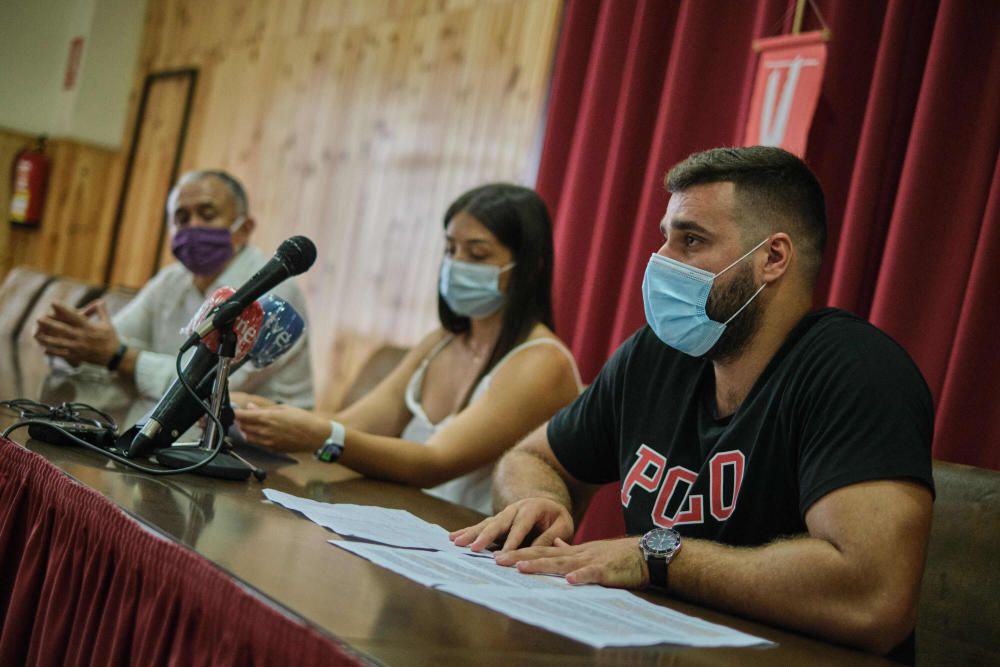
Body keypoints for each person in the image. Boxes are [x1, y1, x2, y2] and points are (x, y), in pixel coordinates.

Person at [450, 147, 934, 662]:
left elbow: (874, 601)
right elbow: (532, 458)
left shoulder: (857, 372)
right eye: (666, 237)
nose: (661, 261)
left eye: (691, 241)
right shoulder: (656, 355)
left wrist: (657, 557)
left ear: (773, 259)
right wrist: (538, 499)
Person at [233, 183, 583, 514]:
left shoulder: (542, 362)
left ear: (530, 269)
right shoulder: (441, 341)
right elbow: (355, 424)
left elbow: (433, 463)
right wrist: (249, 408)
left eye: (477, 254)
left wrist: (320, 437)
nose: (456, 264)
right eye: (450, 250)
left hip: (472, 552)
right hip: (405, 527)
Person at [34, 169, 314, 408]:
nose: (193, 227)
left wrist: (117, 356)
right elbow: (110, 343)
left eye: (207, 214)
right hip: (177, 424)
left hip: (267, 448)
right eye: (181, 218)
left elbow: (209, 388)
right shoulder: (171, 280)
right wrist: (75, 345)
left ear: (244, 228)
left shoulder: (274, 294)